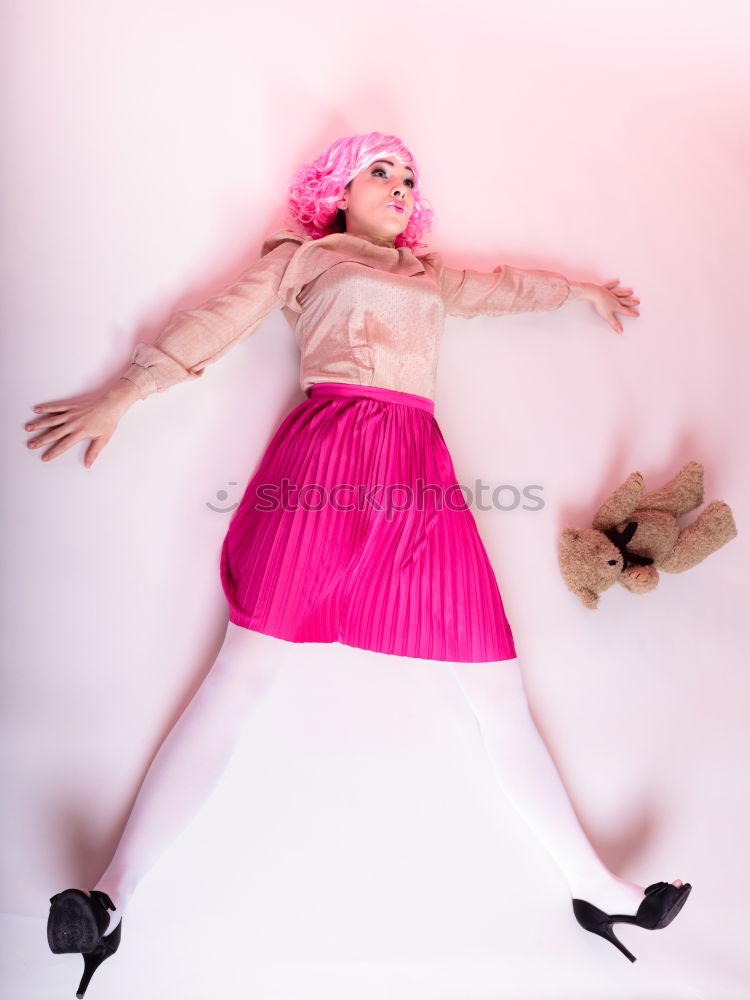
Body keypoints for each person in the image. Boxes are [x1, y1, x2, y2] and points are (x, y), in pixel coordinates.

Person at [35, 132, 689, 996]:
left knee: (497, 684)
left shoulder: (429, 276)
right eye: (381, 170)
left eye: (409, 177)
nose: (401, 186)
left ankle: (598, 891)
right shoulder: (302, 259)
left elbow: (501, 290)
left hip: (418, 480)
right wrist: (122, 393)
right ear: (336, 190)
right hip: (323, 464)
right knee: (240, 675)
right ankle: (111, 902)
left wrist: (580, 293)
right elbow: (216, 321)